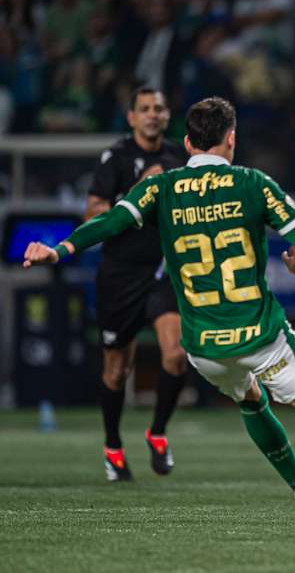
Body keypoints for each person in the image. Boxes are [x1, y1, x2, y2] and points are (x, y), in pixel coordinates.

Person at [23, 97, 295, 541]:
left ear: (186, 142)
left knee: (250, 399)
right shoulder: (254, 183)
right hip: (261, 337)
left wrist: (57, 250)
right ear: (231, 138)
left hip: (202, 348)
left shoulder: (161, 187)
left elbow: (108, 223)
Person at [85, 87, 188, 481]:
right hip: (120, 273)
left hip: (164, 270)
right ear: (131, 117)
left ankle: (158, 433)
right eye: (144, 109)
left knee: (175, 355)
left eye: (159, 108)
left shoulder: (179, 156)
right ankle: (113, 447)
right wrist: (139, 190)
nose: (152, 115)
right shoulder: (117, 158)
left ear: (167, 115)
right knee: (116, 370)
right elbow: (92, 211)